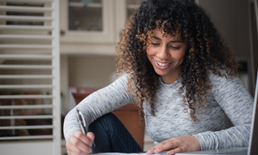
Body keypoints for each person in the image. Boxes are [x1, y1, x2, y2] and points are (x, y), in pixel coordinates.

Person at [63, 0, 254, 154]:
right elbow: (79, 113)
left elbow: (253, 130)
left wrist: (198, 141)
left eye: (175, 46)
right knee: (100, 123)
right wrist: (73, 137)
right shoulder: (139, 80)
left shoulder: (215, 76)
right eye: (155, 43)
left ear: (191, 47)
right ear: (142, 42)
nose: (162, 54)